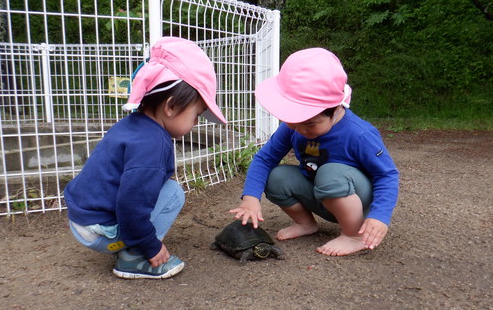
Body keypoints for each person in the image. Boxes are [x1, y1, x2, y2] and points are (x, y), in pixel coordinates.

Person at [65, 37, 227, 279]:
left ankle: (130, 242)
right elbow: (130, 203)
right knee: (172, 193)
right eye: (196, 114)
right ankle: (134, 257)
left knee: (159, 189)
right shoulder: (153, 145)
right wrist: (149, 245)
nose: (195, 123)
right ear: (171, 106)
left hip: (81, 219)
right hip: (100, 231)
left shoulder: (131, 126)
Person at [230, 47, 399, 256]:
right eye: (292, 121)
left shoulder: (359, 134)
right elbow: (265, 159)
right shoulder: (294, 126)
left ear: (336, 108)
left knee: (330, 173)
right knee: (276, 177)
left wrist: (380, 216)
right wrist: (250, 198)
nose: (300, 130)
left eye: (309, 124)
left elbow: (387, 174)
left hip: (355, 201)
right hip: (322, 194)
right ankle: (306, 224)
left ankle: (354, 235)